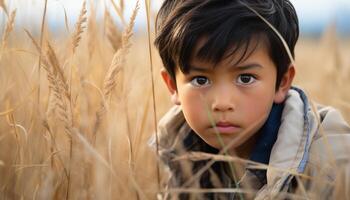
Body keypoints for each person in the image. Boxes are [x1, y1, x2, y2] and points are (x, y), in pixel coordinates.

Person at [150, 0, 350, 199]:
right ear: (173, 86)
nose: (222, 103)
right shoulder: (178, 149)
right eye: (200, 80)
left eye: (245, 78)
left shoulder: (329, 166)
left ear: (282, 81)